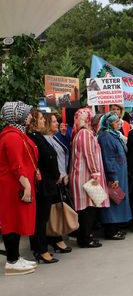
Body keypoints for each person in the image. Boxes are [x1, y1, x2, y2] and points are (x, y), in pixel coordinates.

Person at [0, 102, 39, 275]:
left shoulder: (16, 134)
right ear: (17, 116)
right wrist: (27, 185)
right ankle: (12, 261)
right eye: (27, 113)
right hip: (13, 186)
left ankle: (14, 257)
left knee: (16, 220)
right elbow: (16, 165)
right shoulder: (12, 136)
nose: (30, 116)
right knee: (11, 221)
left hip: (15, 184)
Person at [70, 108, 109, 248]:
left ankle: (86, 236)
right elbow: (89, 154)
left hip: (85, 177)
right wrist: (95, 172)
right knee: (88, 209)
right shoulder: (85, 133)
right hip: (86, 177)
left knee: (89, 208)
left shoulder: (82, 133)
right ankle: (85, 238)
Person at [25, 109, 61, 264]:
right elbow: (48, 157)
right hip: (43, 183)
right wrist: (56, 174)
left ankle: (39, 248)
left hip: (46, 181)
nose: (42, 122)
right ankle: (41, 250)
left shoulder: (37, 136)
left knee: (41, 217)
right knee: (40, 218)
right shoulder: (34, 137)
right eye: (40, 119)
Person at [97, 112, 131, 239]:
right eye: (116, 122)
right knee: (112, 200)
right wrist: (113, 176)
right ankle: (110, 231)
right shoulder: (106, 136)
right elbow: (108, 158)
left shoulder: (113, 134)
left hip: (119, 171)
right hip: (114, 173)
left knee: (118, 199)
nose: (119, 124)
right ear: (109, 124)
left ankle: (115, 228)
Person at [42, 113, 72, 254]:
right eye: (53, 121)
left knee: (56, 210)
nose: (57, 123)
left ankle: (56, 238)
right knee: (54, 211)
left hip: (60, 178)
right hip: (55, 180)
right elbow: (53, 160)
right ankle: (56, 239)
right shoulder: (46, 139)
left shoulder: (54, 137)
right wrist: (61, 175)